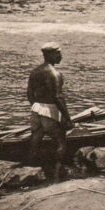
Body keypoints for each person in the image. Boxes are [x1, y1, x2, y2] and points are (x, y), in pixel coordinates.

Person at [26, 42, 74, 181]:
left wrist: (36, 107)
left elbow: (29, 93)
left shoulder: (35, 71)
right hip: (49, 110)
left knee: (35, 140)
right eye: (58, 54)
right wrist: (67, 118)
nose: (61, 56)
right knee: (61, 142)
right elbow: (58, 97)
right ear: (51, 55)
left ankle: (29, 170)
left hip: (36, 109)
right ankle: (56, 176)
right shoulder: (55, 74)